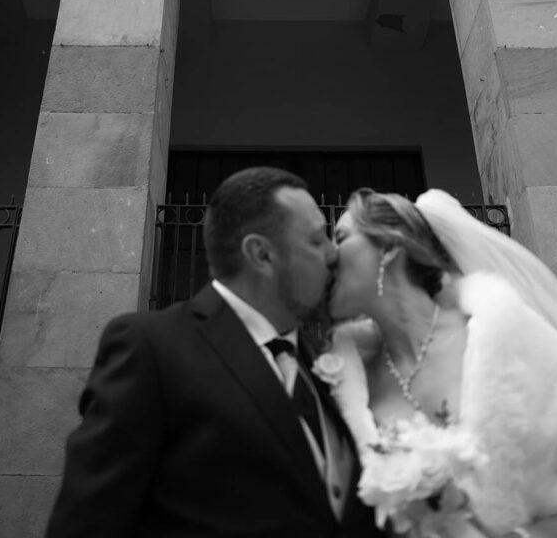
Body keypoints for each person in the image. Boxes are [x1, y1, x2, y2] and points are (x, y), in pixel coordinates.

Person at [45, 166, 378, 538]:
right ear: (262, 255)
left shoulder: (325, 362)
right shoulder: (152, 348)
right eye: (317, 241)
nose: (334, 254)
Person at [324, 187, 557, 538]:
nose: (328, 255)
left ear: (390, 247)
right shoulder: (346, 381)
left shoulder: (504, 336)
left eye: (341, 237)